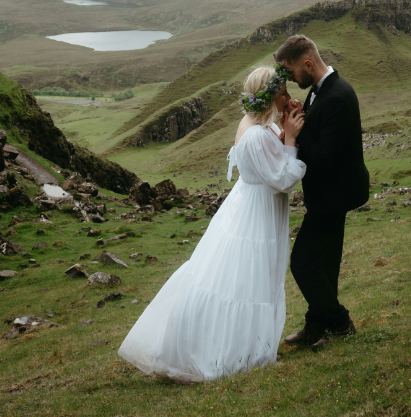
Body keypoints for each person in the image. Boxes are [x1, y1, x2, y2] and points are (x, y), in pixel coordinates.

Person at [118, 64, 306, 382]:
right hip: (257, 214)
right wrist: (290, 141)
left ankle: (247, 343)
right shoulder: (257, 135)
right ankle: (236, 351)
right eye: (283, 93)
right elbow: (283, 179)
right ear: (270, 96)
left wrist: (285, 128)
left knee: (243, 277)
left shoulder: (255, 125)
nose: (288, 97)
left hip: (248, 206)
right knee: (250, 278)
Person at [274, 34, 370, 349]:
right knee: (325, 265)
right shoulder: (320, 91)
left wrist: (295, 136)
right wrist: (300, 116)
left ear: (308, 64)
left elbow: (325, 159)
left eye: (290, 72)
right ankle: (317, 326)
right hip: (326, 196)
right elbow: (320, 132)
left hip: (333, 196)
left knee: (303, 263)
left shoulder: (338, 96)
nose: (289, 79)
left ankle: (340, 323)